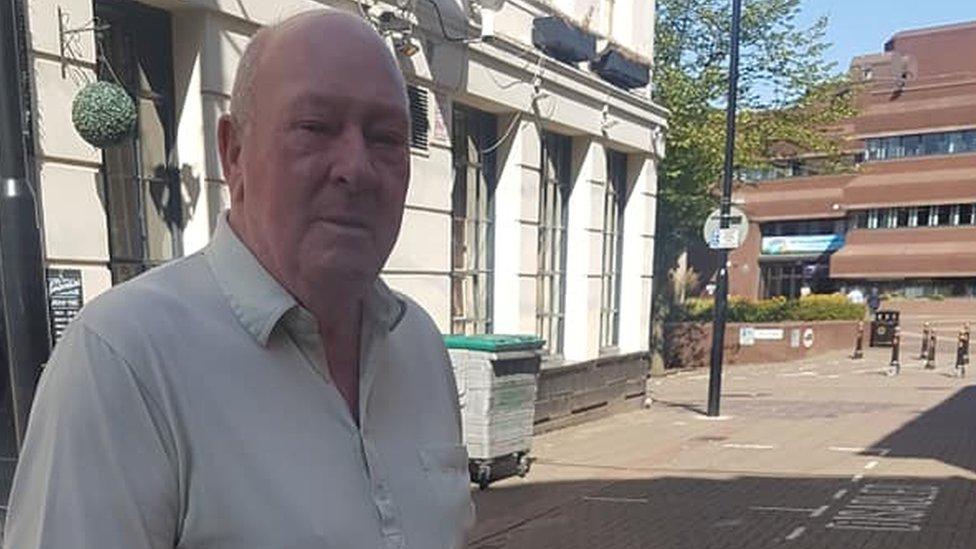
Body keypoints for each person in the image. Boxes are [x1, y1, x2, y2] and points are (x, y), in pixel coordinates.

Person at [3, 11, 473, 549]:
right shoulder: (125, 359)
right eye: (315, 127)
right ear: (234, 153)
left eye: (385, 137)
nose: (357, 169)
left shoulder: (420, 346)